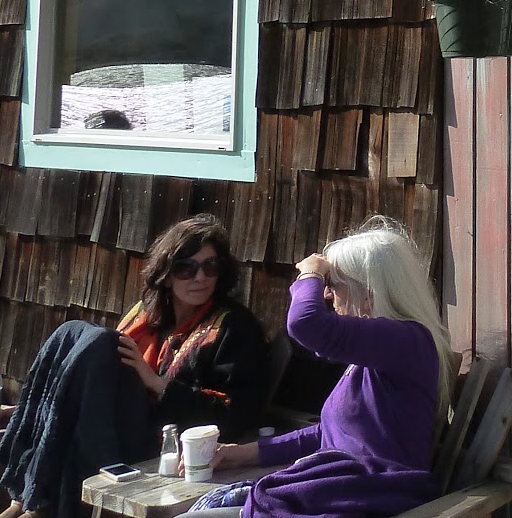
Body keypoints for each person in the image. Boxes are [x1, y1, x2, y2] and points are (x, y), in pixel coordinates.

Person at [0, 214, 268, 518]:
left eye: (209, 266)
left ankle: (34, 501)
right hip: (110, 429)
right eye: (186, 267)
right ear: (166, 273)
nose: (200, 277)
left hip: (163, 447)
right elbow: (93, 382)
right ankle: (31, 501)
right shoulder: (146, 315)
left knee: (100, 343)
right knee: (73, 333)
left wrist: (157, 384)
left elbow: (235, 414)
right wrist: (27, 410)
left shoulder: (233, 326)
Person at [194, 216, 453, 518]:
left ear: (369, 292)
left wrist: (310, 274)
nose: (327, 295)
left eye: (333, 285)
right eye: (325, 285)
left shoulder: (407, 340)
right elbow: (329, 433)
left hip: (369, 499)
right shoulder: (381, 351)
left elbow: (306, 323)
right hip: (347, 492)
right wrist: (240, 454)